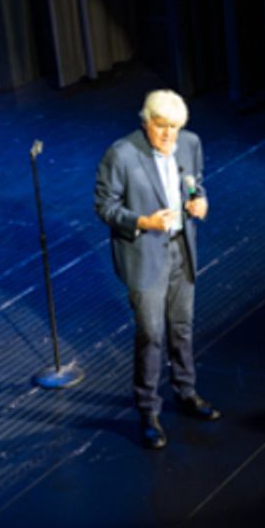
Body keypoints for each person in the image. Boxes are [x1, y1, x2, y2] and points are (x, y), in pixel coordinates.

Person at [94, 89, 221, 450]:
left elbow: (196, 183)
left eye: (175, 128)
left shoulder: (190, 143)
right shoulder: (122, 154)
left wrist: (200, 202)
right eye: (162, 127)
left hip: (182, 249)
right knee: (151, 334)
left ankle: (186, 392)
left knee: (181, 327)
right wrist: (143, 221)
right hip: (145, 253)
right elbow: (105, 207)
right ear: (146, 121)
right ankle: (148, 411)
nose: (169, 136)